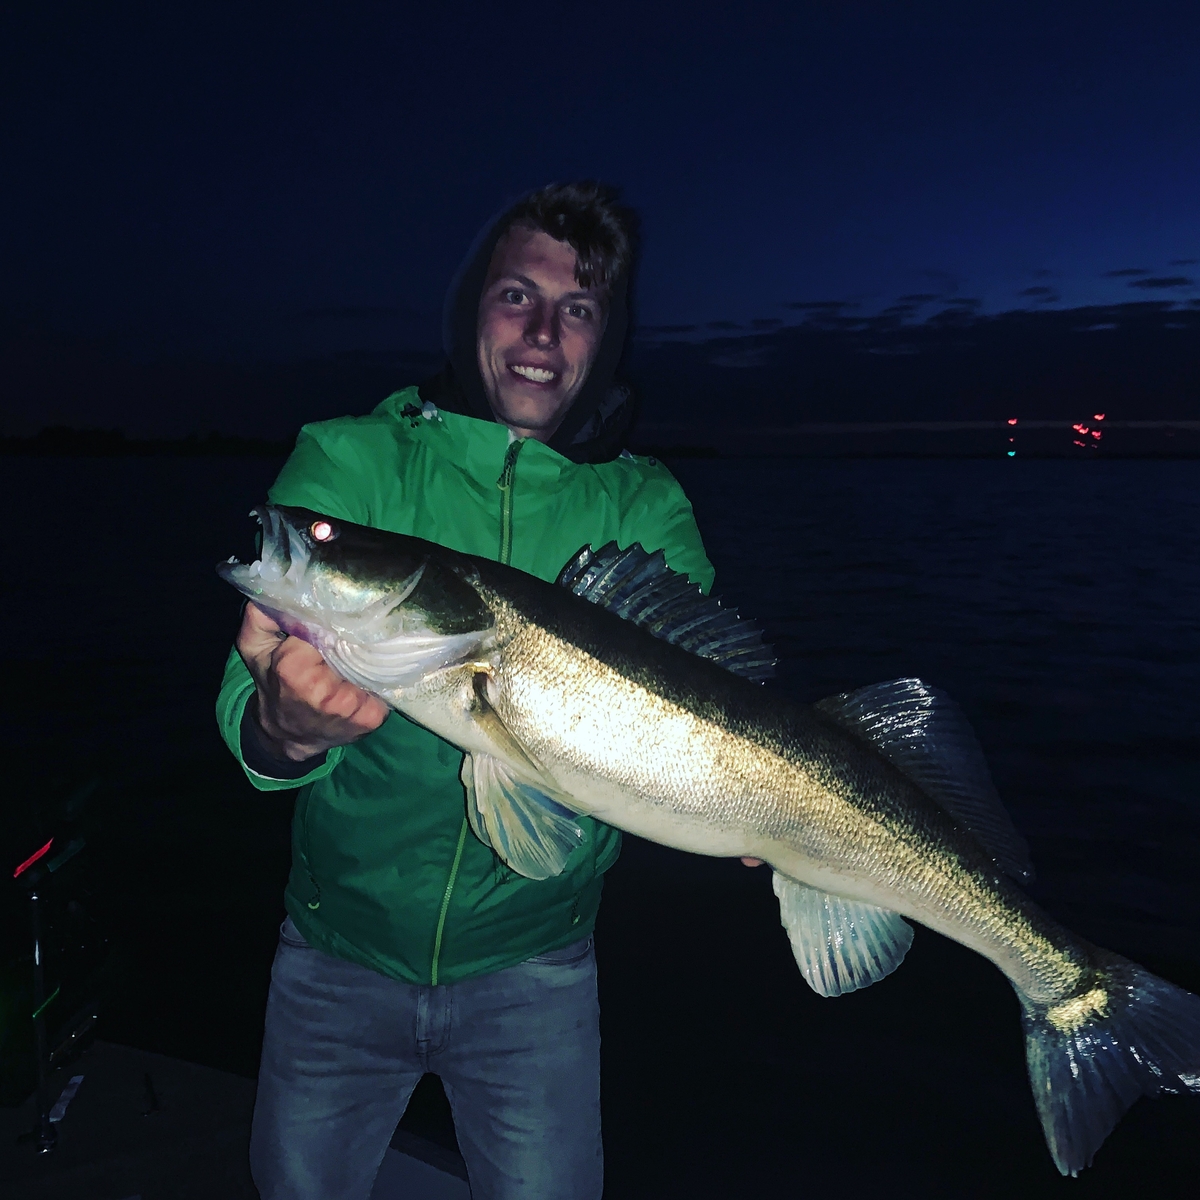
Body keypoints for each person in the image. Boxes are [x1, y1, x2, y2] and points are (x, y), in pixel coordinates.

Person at [216, 181, 716, 1199]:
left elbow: (715, 696)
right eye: (516, 295)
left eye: (578, 309)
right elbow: (247, 712)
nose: (542, 335)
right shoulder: (349, 458)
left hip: (538, 973)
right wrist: (282, 726)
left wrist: (767, 818)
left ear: (605, 339)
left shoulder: (645, 504)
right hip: (336, 956)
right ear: (468, 310)